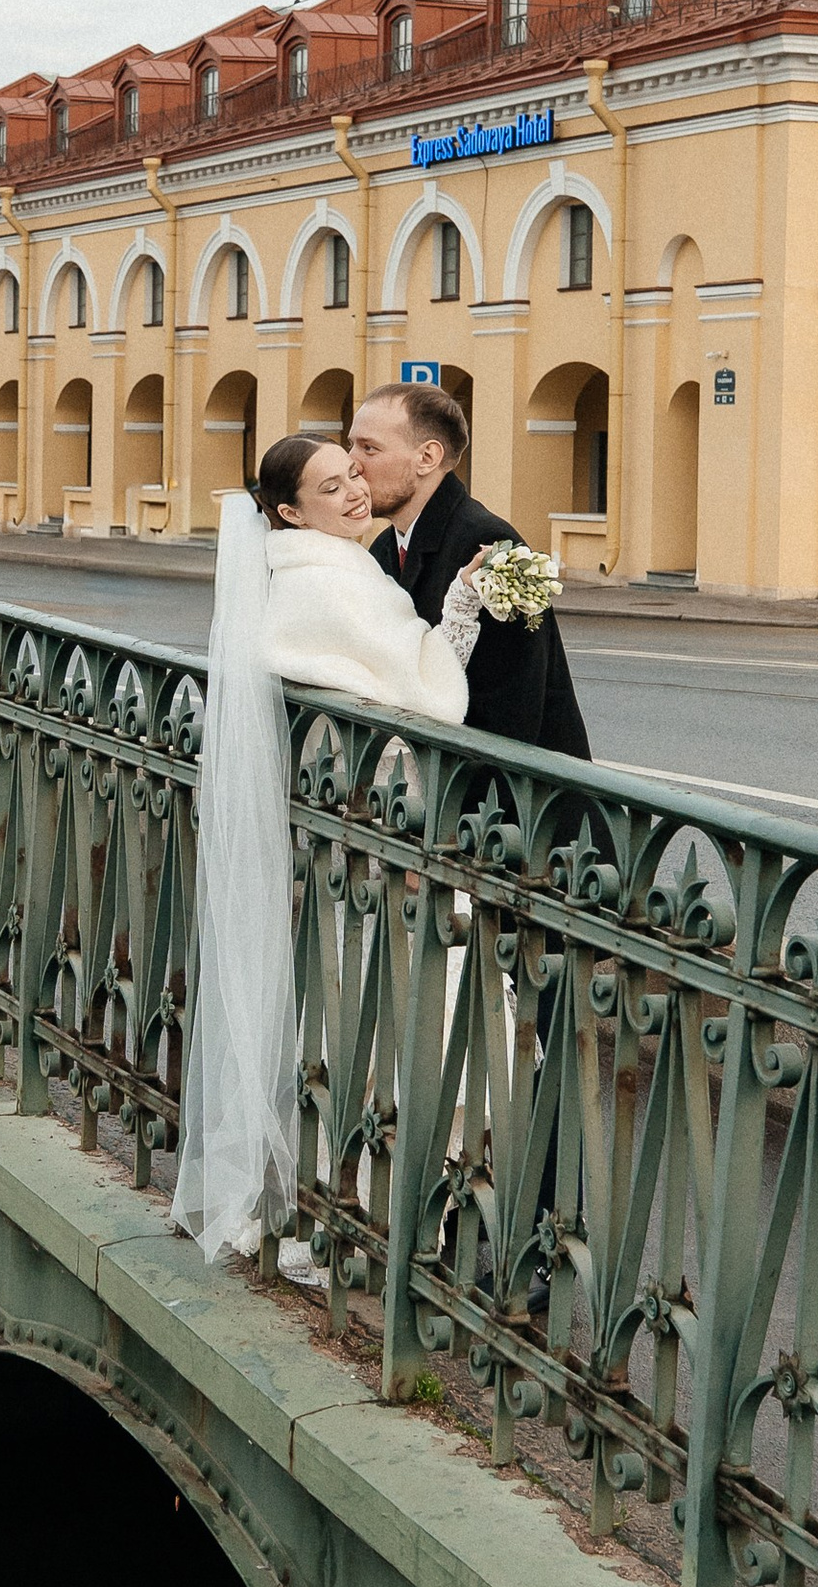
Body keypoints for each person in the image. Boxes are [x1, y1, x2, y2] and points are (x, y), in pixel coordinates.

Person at [172, 429, 487, 1265]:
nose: (353, 493)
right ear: (288, 512)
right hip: (385, 834)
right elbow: (426, 693)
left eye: (354, 475)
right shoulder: (329, 581)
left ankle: (368, 1206)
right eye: (329, 487)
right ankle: (389, 1223)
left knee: (360, 1019)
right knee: (415, 1017)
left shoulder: (315, 568)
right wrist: (461, 610)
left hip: (361, 831)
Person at [346, 384, 591, 760]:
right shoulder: (384, 546)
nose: (352, 464)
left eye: (369, 448)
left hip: (507, 805)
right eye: (352, 446)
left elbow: (510, 709)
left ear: (427, 457)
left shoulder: (489, 546)